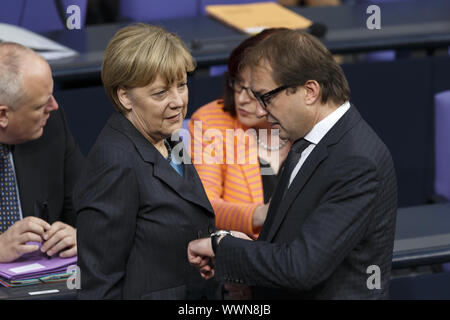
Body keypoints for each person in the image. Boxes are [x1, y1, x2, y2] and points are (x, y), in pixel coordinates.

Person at [188, 29, 397, 299]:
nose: (261, 110)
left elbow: (301, 267)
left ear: (309, 91)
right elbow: (284, 238)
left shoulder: (356, 161)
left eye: (267, 97)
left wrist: (223, 247)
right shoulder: (306, 138)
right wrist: (243, 251)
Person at [75, 23, 217, 299]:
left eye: (182, 85)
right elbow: (100, 284)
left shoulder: (167, 134)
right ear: (124, 96)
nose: (178, 101)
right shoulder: (114, 161)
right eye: (160, 93)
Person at [189, 28, 290, 240]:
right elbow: (205, 206)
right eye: (238, 84)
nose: (242, 99)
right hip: (244, 260)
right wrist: (262, 214)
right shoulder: (210, 121)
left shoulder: (305, 123)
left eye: (254, 91)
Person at [0, 42, 83, 262]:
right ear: (3, 115)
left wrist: (81, 236)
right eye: (40, 106)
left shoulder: (51, 126)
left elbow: (90, 207)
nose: (54, 107)